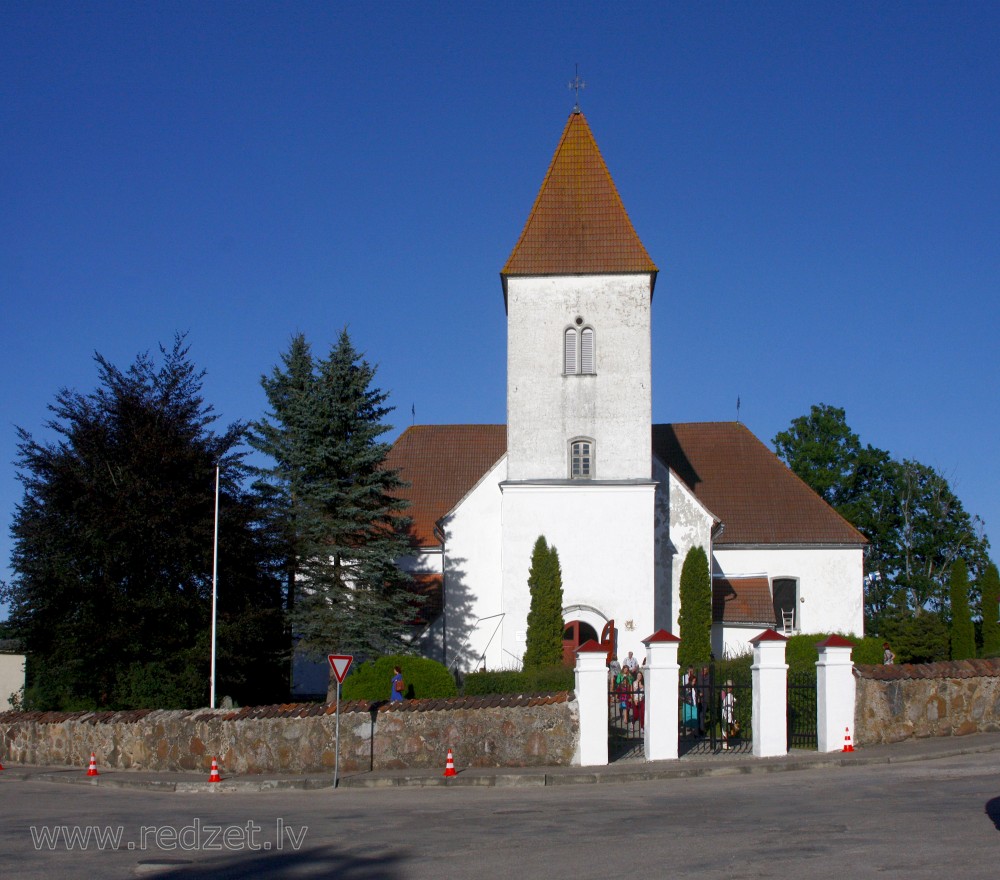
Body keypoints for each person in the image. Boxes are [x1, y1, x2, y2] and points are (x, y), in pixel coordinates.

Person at [720, 680, 735, 750]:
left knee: (727, 728)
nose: (731, 689)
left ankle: (726, 742)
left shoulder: (729, 693)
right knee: (724, 727)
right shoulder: (724, 692)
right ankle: (724, 743)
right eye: (730, 687)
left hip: (729, 712)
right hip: (725, 712)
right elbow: (724, 701)